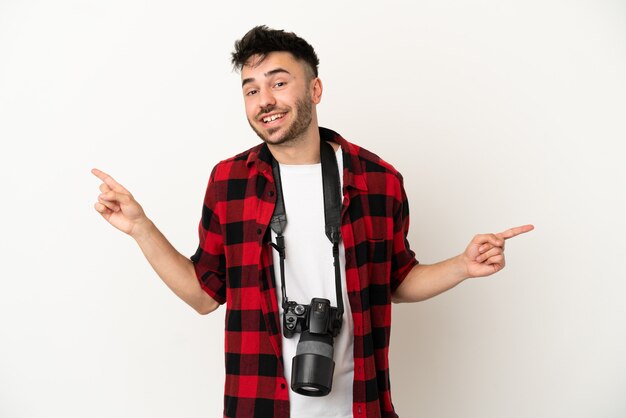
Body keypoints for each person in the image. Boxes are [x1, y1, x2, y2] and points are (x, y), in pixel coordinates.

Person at [92, 26, 533, 418]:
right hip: (259, 404)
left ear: (315, 89)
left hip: (360, 405)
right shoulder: (229, 182)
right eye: (250, 90)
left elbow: (397, 281)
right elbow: (205, 296)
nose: (264, 100)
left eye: (279, 83)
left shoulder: (378, 179)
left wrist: (462, 265)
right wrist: (140, 227)